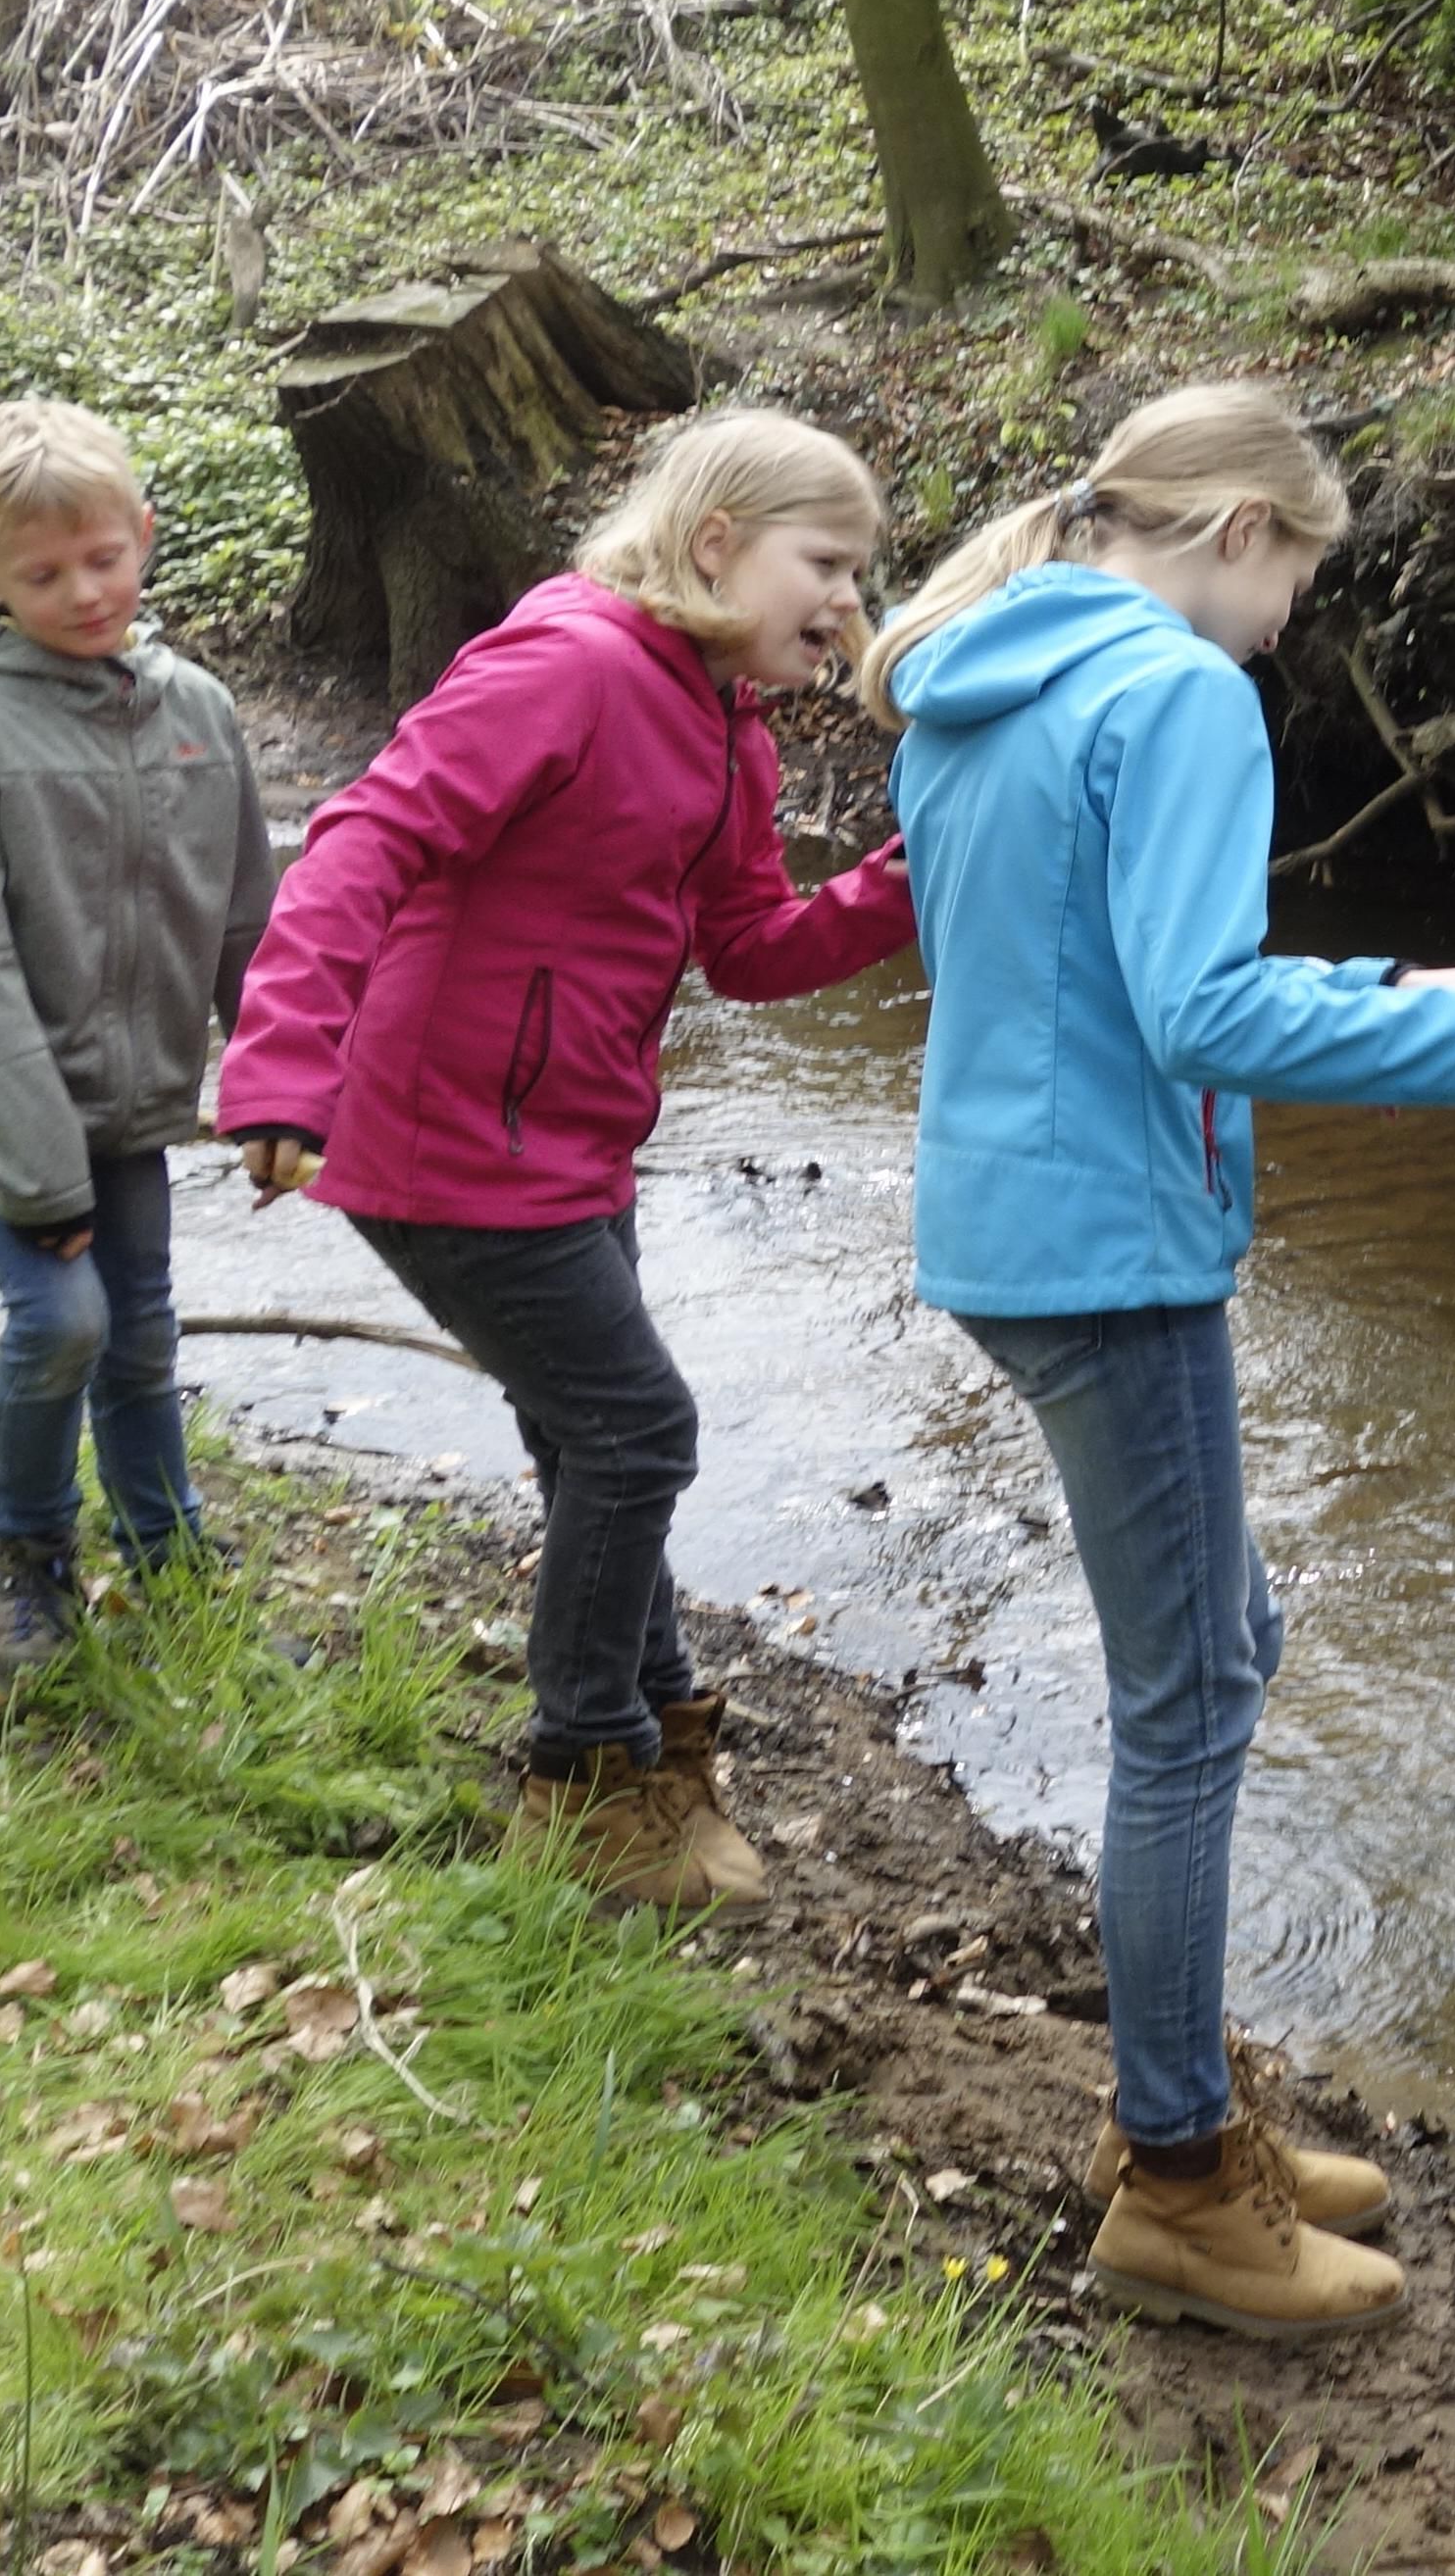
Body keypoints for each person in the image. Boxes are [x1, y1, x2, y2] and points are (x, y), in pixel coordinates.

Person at [865, 382, 1455, 2342]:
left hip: (1013, 1221)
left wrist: (1450, 982)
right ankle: (1175, 2177)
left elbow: (1104, 976)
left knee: (1216, 1648)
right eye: (1298, 578)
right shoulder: (1175, 695)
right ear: (1239, 528)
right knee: (1196, 1691)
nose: (1290, 624)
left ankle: (1188, 2104)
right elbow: (1199, 1008)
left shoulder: (992, 675)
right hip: (1109, 1247)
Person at [218, 411, 918, 1909]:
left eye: (862, 576)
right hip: (437, 1131)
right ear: (715, 541)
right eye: (828, 566)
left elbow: (746, 952)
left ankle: (656, 1748)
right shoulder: (571, 666)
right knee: (636, 1430)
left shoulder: (726, 727)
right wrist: (280, 1065)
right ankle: (582, 1782)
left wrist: (902, 886)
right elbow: (364, 838)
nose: (850, 607)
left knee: (588, 1435)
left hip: (572, 1137)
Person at [0, 399, 279, 1686]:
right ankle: (30, 1563)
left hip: (131, 1098)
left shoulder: (196, 709)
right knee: (60, 1319)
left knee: (142, 1329)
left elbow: (246, 917)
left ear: (144, 536)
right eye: (42, 575)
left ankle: (170, 1557)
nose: (84, 591)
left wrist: (283, 1085)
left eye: (104, 558)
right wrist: (40, 1167)